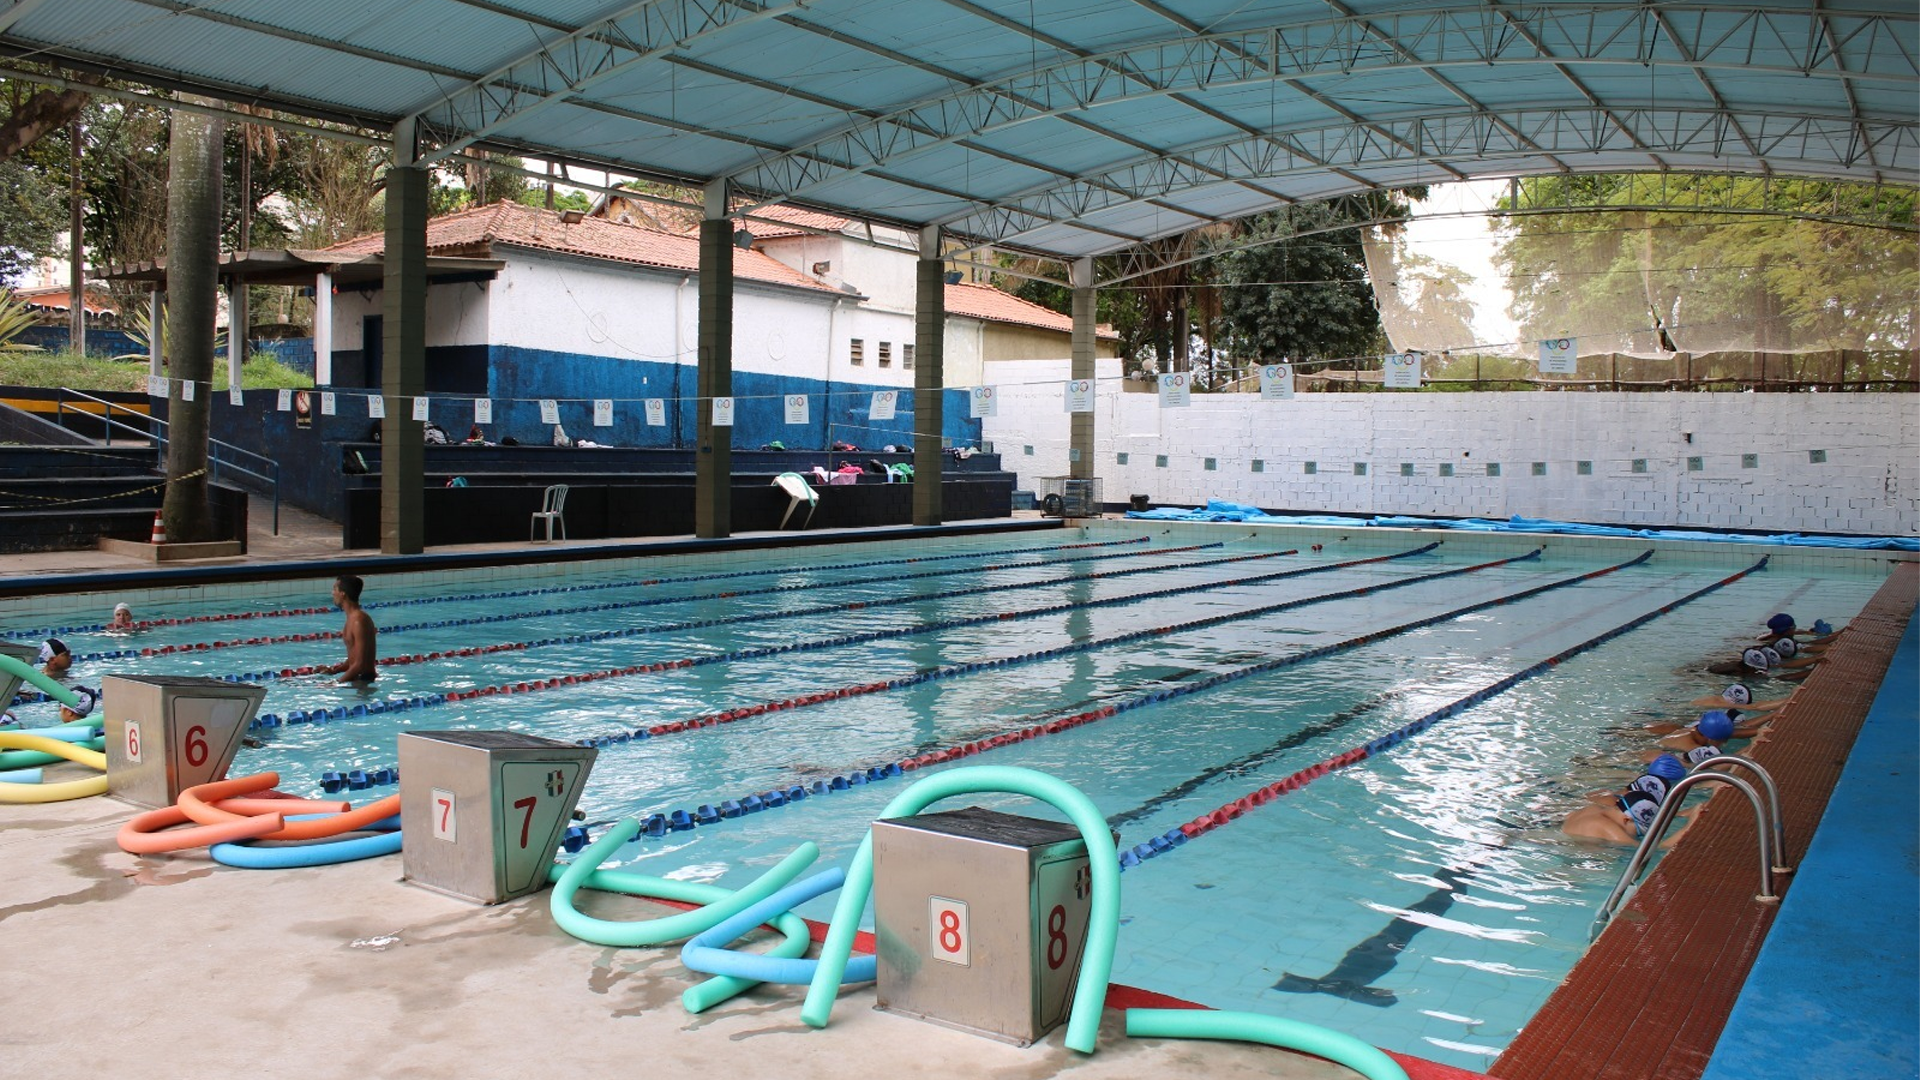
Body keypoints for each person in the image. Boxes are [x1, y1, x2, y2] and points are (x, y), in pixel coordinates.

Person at [1563, 755, 1688, 844]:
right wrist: (1690, 824)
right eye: (1638, 832)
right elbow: (1654, 850)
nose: (1635, 836)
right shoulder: (1607, 828)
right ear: (1626, 819)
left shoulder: (1593, 808)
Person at [327, 575, 378, 683]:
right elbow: (353, 659)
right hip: (357, 679)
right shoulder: (352, 618)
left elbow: (360, 664)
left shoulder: (358, 621)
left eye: (335, 589)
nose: (332, 593)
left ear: (343, 594)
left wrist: (336, 683)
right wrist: (333, 671)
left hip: (364, 681)